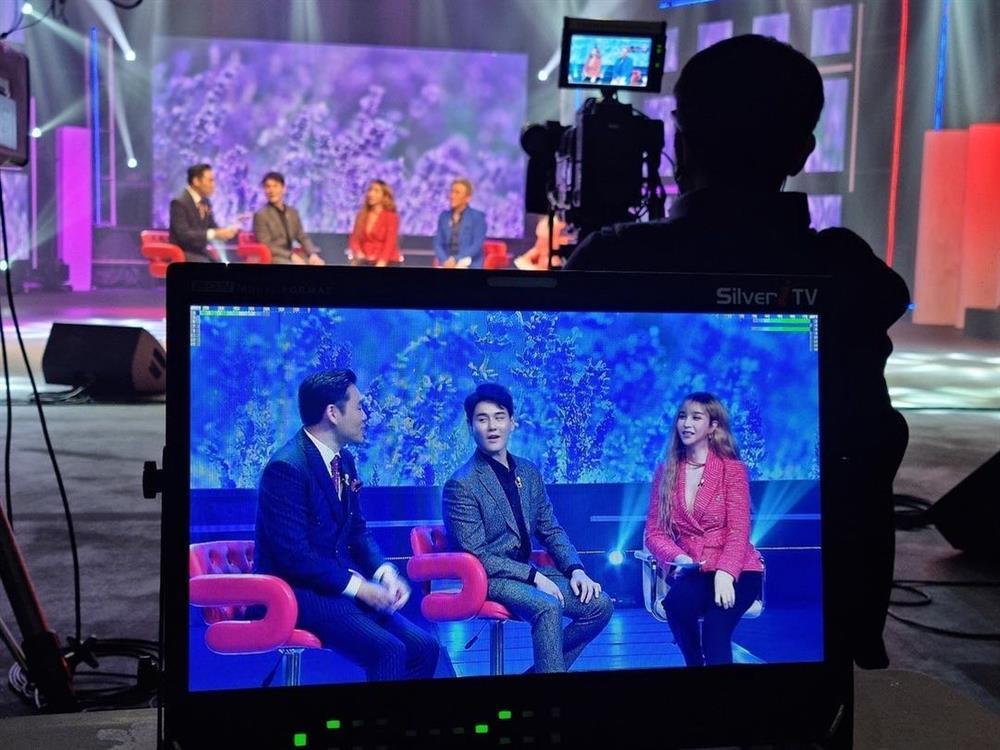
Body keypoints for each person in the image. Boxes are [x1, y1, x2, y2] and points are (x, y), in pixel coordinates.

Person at [566, 34, 909, 671]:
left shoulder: (616, 258)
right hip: (842, 607)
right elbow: (891, 303)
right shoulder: (846, 270)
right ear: (803, 151)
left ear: (680, 142)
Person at [254, 370, 439, 682]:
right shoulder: (287, 468)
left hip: (335, 587)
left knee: (424, 648)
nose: (365, 416)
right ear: (333, 413)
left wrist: (384, 574)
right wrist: (359, 587)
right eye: (359, 407)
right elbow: (294, 557)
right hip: (296, 592)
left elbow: (358, 532)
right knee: (389, 650)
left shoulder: (345, 462)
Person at [442, 383, 613, 673]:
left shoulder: (528, 472)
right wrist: (533, 576)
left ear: (512, 422)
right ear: (471, 426)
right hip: (489, 578)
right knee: (547, 605)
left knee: (600, 605)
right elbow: (478, 556)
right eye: (482, 419)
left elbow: (550, 529)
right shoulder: (461, 484)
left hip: (527, 574)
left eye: (499, 417)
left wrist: (576, 570)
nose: (492, 426)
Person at [644, 393, 764, 667]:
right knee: (675, 605)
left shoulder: (732, 470)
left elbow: (738, 531)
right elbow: (654, 533)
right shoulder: (666, 472)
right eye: (682, 417)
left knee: (714, 629)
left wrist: (726, 572)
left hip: (739, 569)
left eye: (696, 417)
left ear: (713, 426)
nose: (686, 424)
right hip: (696, 568)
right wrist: (679, 558)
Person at [168, 164, 239, 262]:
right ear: (196, 181)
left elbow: (212, 227)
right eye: (210, 180)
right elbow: (183, 235)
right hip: (184, 253)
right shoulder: (179, 202)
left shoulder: (205, 202)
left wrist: (228, 230)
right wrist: (214, 234)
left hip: (201, 253)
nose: (213, 185)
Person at [252, 172, 324, 265]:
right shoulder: (261, 215)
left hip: (292, 255)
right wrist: (290, 255)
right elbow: (266, 244)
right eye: (267, 187)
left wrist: (312, 254)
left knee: (318, 263)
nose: (271, 190)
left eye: (275, 186)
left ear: (283, 189)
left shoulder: (292, 212)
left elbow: (302, 236)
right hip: (274, 257)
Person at [433, 178, 487, 269]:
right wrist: (445, 260)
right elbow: (437, 243)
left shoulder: (478, 217)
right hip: (447, 263)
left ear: (468, 198)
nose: (452, 196)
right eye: (451, 191)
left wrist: (456, 259)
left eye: (457, 192)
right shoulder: (444, 216)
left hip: (469, 264)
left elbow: (476, 245)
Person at [347, 179, 401, 267]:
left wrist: (382, 262)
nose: (371, 194)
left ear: (384, 196)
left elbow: (390, 243)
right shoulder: (361, 215)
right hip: (365, 260)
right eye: (370, 190)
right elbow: (354, 239)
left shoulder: (391, 217)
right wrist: (359, 253)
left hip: (387, 262)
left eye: (376, 191)